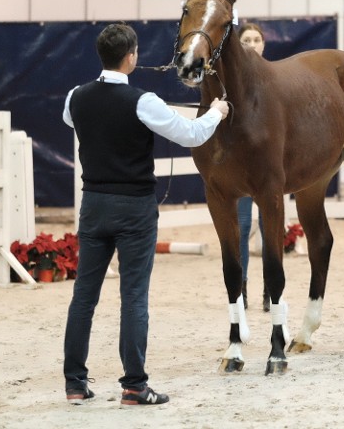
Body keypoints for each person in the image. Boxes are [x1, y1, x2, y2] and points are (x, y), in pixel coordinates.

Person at [62, 23, 229, 407]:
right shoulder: (143, 101)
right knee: (133, 297)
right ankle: (134, 386)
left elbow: (74, 121)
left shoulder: (75, 97)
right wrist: (217, 112)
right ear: (132, 56)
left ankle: (75, 383)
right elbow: (190, 134)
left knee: (83, 296)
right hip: (134, 208)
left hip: (94, 205)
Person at [237, 22, 268, 312]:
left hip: (271, 166)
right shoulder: (232, 81)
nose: (252, 44)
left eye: (256, 39)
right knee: (243, 226)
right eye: (246, 39)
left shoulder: (274, 79)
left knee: (270, 226)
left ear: (263, 44)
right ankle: (242, 285)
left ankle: (271, 286)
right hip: (244, 167)